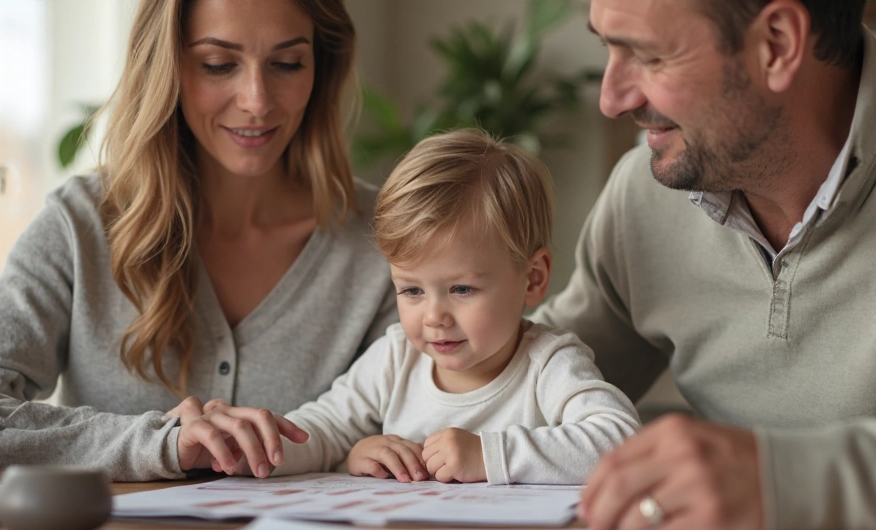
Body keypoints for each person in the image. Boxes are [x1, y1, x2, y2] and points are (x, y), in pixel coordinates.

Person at [535, 0, 876, 530]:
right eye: (608, 48)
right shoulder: (645, 195)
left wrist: (785, 483)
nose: (612, 98)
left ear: (778, 45)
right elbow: (526, 382)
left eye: (647, 55)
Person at [0, 0, 398, 481]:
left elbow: (431, 419)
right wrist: (161, 443)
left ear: (320, 68)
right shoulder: (82, 224)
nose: (257, 100)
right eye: (218, 65)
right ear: (167, 67)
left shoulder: (384, 238)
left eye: (287, 63)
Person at [230, 129, 641, 484]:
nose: (433, 317)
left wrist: (489, 455)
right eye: (411, 291)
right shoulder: (395, 358)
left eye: (461, 289)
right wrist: (349, 455)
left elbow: (619, 440)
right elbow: (320, 431)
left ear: (532, 279)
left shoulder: (548, 364)